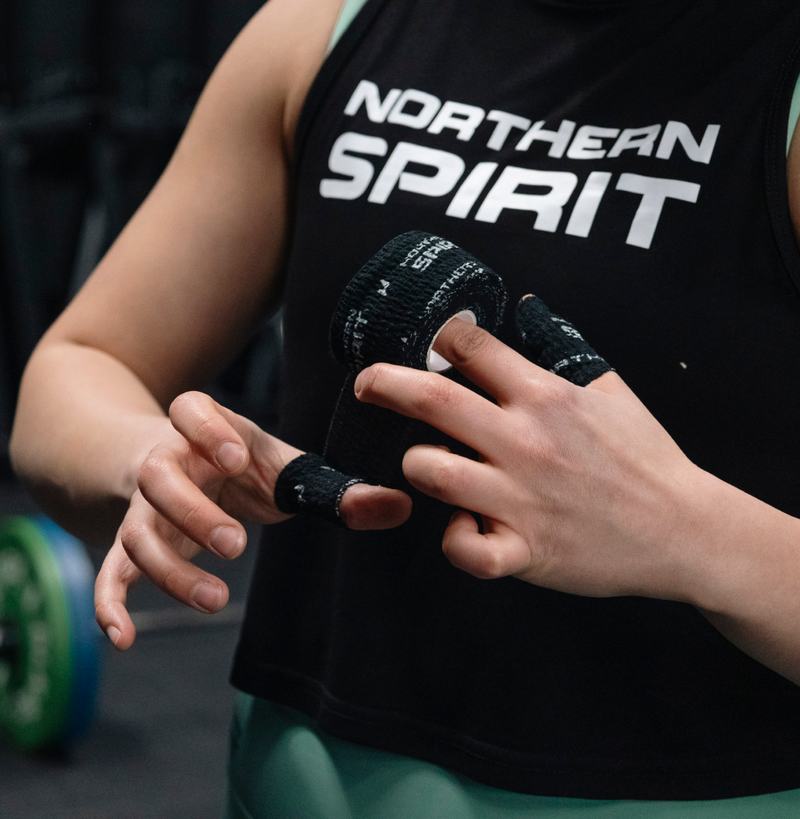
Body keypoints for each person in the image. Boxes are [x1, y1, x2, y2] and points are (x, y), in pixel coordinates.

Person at [10, 0, 800, 815]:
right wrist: (149, 454)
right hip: (295, 778)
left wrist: (681, 529)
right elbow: (80, 365)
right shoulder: (325, 26)